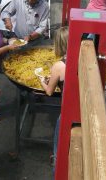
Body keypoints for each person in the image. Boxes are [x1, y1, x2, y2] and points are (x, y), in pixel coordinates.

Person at [38, 26, 68, 167]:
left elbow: (49, 92)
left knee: (59, 145)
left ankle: (56, 162)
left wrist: (42, 81)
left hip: (68, 112)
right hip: (85, 108)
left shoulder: (59, 66)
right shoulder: (82, 57)